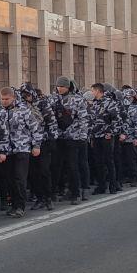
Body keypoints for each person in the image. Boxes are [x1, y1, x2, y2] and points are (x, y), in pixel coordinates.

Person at [0, 87, 42, 218]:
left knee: (19, 178)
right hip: (8, 151)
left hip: (22, 148)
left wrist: (36, 145)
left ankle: (20, 206)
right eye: (2, 99)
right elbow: (0, 134)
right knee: (10, 179)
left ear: (13, 98)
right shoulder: (1, 113)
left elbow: (35, 128)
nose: (4, 101)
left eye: (7, 99)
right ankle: (14, 205)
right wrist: (0, 151)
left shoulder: (23, 110)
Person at [52, 77, 88, 205]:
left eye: (62, 86)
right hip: (59, 137)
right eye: (58, 86)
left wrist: (83, 136)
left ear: (68, 87)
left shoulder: (77, 99)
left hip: (73, 137)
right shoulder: (53, 99)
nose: (60, 88)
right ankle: (58, 191)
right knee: (57, 166)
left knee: (73, 166)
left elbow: (83, 119)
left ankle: (75, 193)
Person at [88, 83, 120, 195]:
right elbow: (91, 120)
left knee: (109, 161)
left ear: (98, 91)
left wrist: (111, 132)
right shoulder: (94, 104)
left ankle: (113, 185)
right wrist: (91, 136)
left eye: (93, 90)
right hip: (96, 136)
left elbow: (116, 119)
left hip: (106, 136)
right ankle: (101, 186)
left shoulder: (109, 102)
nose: (92, 93)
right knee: (98, 162)